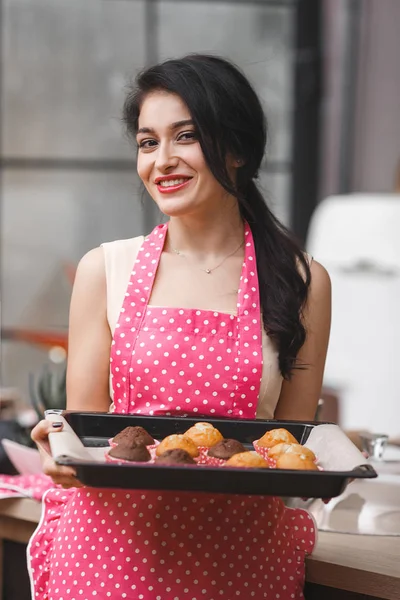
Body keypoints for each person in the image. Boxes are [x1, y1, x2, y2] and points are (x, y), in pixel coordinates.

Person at [29, 54, 331, 600]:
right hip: (111, 556)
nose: (162, 161)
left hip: (243, 560)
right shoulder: (106, 269)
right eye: (148, 142)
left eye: (185, 137)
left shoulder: (302, 282)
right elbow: (84, 434)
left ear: (236, 148)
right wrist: (56, 444)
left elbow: (290, 448)